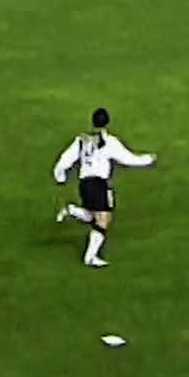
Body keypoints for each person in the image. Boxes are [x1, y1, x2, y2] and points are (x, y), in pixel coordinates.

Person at [53, 108, 155, 268]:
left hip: (85, 183)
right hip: (98, 183)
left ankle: (72, 210)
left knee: (94, 216)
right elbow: (128, 158)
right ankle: (90, 257)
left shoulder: (82, 140)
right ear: (107, 122)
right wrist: (148, 159)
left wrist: (60, 176)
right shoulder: (109, 142)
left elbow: (65, 159)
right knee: (103, 220)